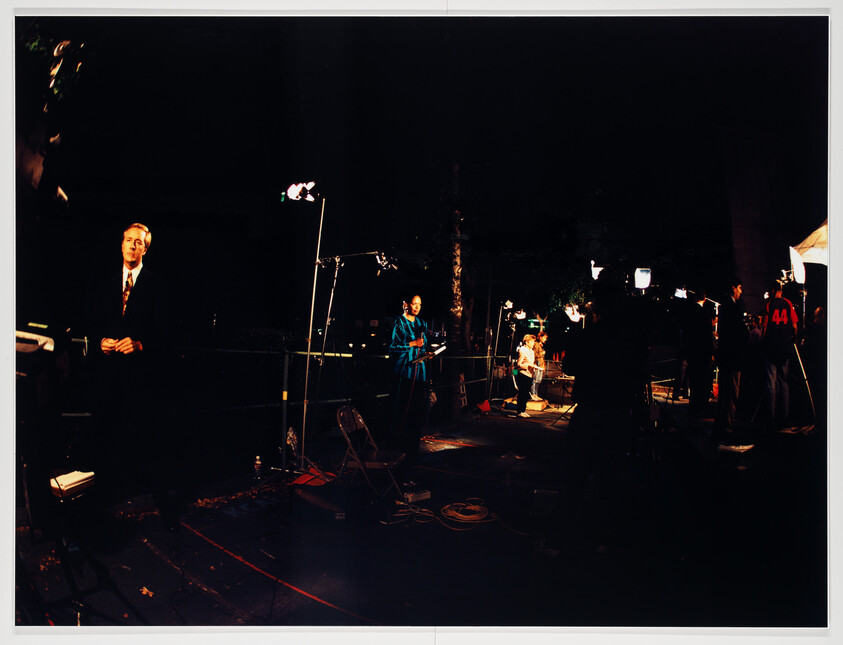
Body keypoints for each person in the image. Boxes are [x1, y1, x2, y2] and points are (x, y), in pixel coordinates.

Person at [83, 223, 176, 527]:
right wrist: (100, 343)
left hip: (141, 378)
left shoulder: (158, 286)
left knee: (144, 438)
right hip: (108, 377)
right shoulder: (105, 284)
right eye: (128, 240)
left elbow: (168, 336)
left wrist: (139, 345)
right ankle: (102, 499)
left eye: (139, 242)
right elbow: (93, 326)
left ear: (146, 248)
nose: (132, 246)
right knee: (104, 435)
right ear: (121, 244)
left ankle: (155, 504)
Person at [389, 294, 429, 463]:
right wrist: (411, 344)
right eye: (414, 303)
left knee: (417, 412)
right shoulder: (398, 322)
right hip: (404, 372)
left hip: (420, 373)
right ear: (407, 304)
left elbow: (424, 344)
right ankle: (397, 448)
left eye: (420, 304)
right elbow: (392, 346)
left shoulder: (422, 324)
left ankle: (413, 449)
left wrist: (428, 354)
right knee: (401, 410)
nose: (417, 307)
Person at [714, 276, 749, 446]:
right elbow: (739, 332)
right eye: (740, 288)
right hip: (733, 357)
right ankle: (726, 428)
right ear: (734, 288)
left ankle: (720, 426)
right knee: (731, 394)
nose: (741, 292)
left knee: (725, 393)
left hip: (726, 356)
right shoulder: (733, 307)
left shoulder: (724, 306)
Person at [761, 280, 798, 430]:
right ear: (781, 291)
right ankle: (786, 414)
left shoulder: (769, 305)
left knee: (771, 383)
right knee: (784, 382)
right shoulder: (788, 304)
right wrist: (792, 337)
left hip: (771, 348)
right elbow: (794, 324)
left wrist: (764, 343)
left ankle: (771, 414)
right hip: (784, 347)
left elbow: (764, 327)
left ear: (772, 290)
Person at [684, 287, 715, 417]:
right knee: (702, 381)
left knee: (694, 381)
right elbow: (707, 335)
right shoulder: (703, 313)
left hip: (692, 351)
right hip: (702, 353)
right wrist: (712, 351)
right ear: (705, 298)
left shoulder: (689, 312)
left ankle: (693, 406)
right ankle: (700, 407)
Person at [514, 334, 539, 417]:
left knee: (526, 394)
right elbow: (518, 364)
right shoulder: (523, 350)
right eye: (532, 341)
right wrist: (527, 366)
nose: (533, 343)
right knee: (522, 393)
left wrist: (534, 366)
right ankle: (519, 411)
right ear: (527, 342)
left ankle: (523, 410)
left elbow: (531, 362)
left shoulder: (532, 351)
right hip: (523, 374)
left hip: (530, 375)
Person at [530, 316, 548, 401]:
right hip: (536, 364)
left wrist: (543, 365)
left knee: (538, 380)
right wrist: (541, 353)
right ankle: (533, 394)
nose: (545, 339)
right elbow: (535, 354)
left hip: (540, 364)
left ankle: (536, 394)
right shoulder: (536, 344)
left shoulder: (541, 345)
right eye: (544, 338)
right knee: (535, 380)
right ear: (540, 337)